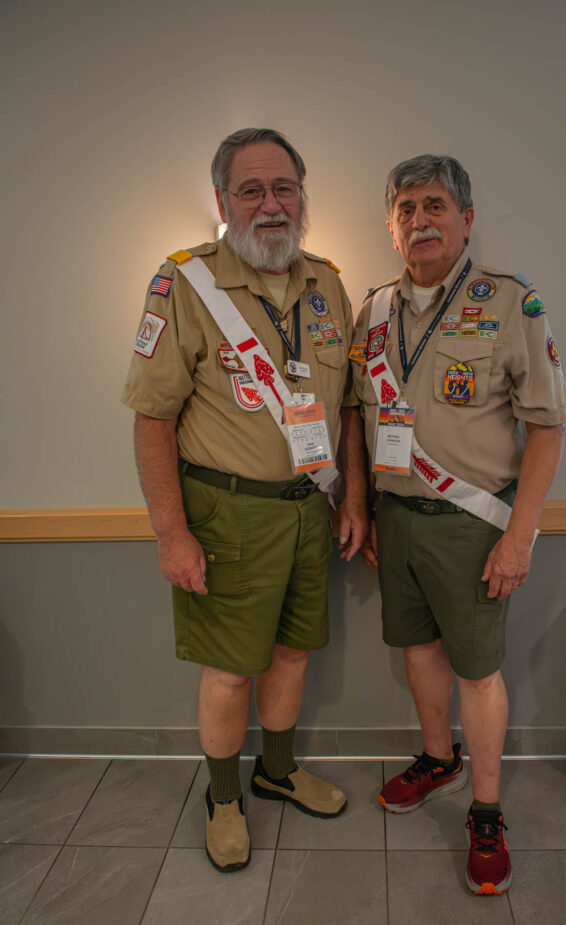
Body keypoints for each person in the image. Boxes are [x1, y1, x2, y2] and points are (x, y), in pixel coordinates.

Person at [122, 128, 367, 872]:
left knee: (292, 656)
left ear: (302, 196)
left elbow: (347, 407)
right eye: (252, 189)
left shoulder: (327, 282)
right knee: (231, 667)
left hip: (309, 509)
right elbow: (152, 419)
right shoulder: (183, 283)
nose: (271, 203)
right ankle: (224, 796)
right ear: (223, 200)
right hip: (225, 514)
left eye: (283, 187)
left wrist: (352, 497)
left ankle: (278, 770)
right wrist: (171, 533)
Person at [350, 154, 566, 894]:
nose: (421, 220)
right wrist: (366, 507)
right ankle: (437, 759)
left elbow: (546, 427)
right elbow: (357, 415)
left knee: (478, 671)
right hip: (398, 521)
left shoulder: (511, 303)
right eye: (407, 208)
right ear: (392, 227)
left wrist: (520, 537)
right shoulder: (373, 311)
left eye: (436, 205)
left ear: (466, 219)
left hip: (474, 525)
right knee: (418, 651)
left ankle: (485, 811)